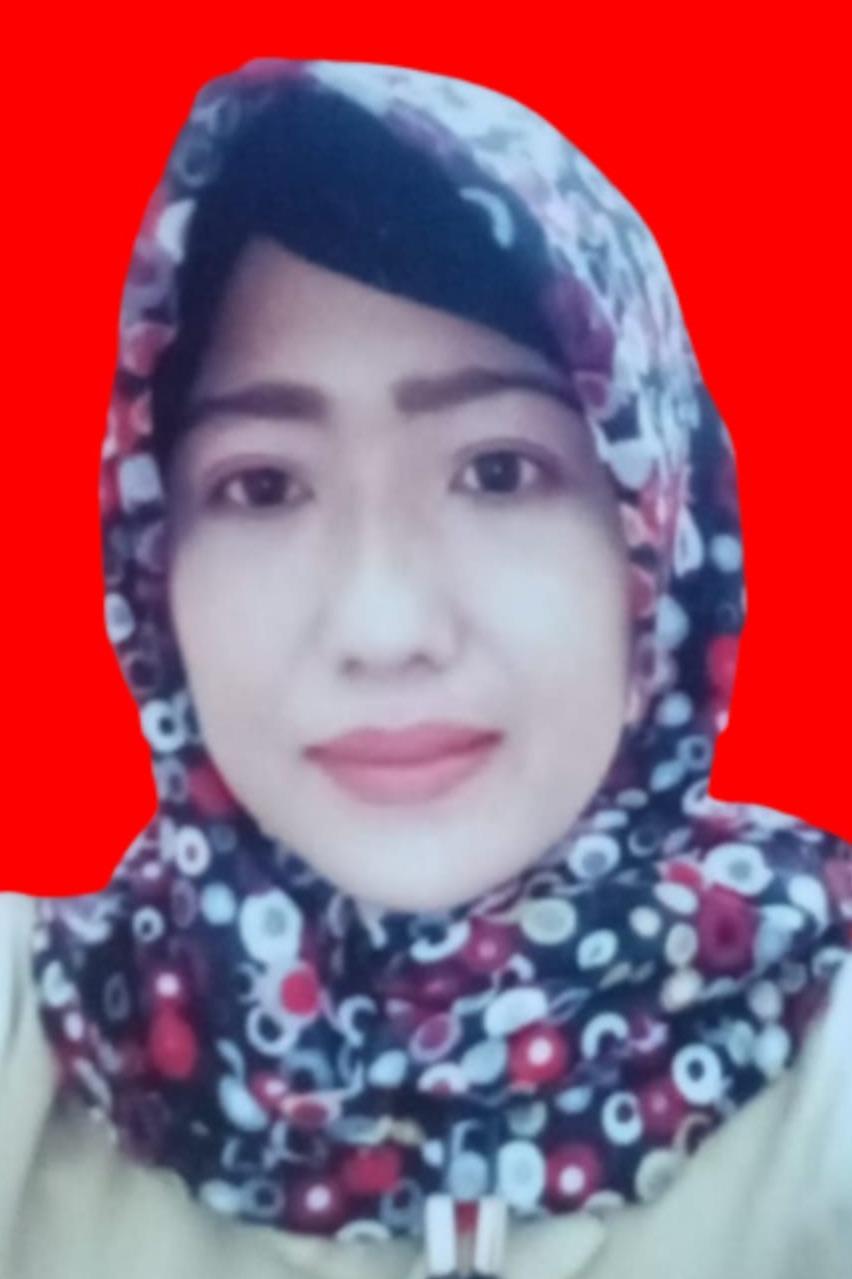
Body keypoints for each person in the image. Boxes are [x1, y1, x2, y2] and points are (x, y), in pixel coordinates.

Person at [0, 58, 850, 1279]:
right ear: (152, 559)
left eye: (498, 471)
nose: (384, 624)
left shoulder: (825, 1082)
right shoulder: (35, 1046)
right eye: (262, 485)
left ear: (657, 538)